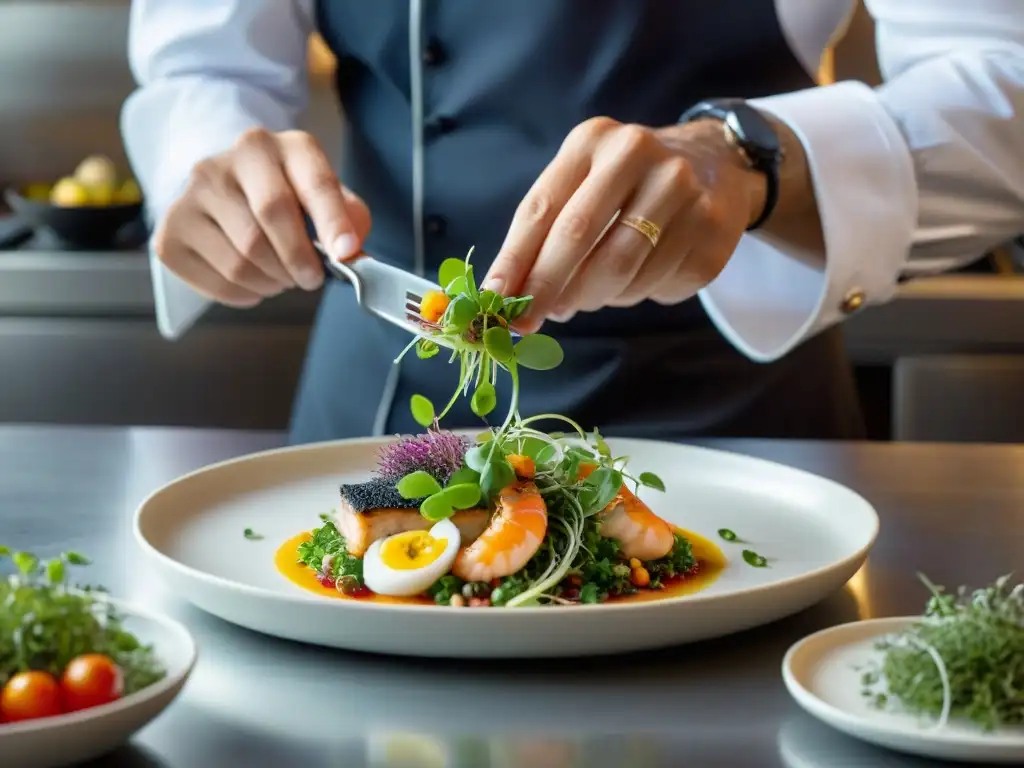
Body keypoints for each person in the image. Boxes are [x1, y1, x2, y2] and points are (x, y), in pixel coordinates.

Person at [122, 1, 1024, 445]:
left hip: (739, 426)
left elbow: (1002, 73)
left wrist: (752, 156)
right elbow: (204, 66)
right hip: (379, 416)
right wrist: (207, 159)